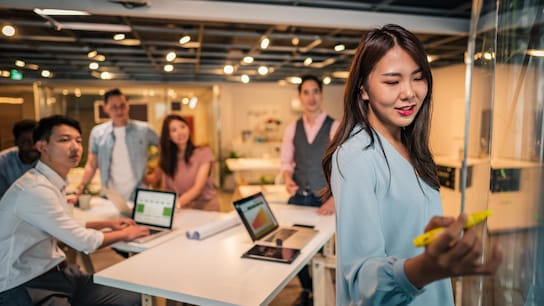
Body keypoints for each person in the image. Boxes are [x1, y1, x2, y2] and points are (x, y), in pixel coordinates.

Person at [321, 24, 502, 305]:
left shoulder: (410, 147)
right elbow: (361, 280)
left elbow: (407, 231)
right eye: (392, 82)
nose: (409, 93)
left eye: (418, 78)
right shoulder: (356, 156)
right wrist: (426, 267)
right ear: (363, 89)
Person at [0, 115, 150, 306]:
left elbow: (65, 222)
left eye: (78, 140)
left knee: (134, 298)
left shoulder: (52, 183)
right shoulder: (35, 190)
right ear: (42, 147)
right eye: (64, 140)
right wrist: (125, 234)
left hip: (58, 274)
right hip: (22, 285)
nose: (75, 146)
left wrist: (108, 224)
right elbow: (82, 241)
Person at [279, 75, 338, 305]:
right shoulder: (292, 128)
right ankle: (309, 290)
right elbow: (286, 162)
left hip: (324, 201)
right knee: (292, 248)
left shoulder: (335, 126)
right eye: (306, 92)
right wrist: (287, 178)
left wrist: (334, 197)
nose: (311, 97)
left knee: (322, 252)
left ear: (321, 94)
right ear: (300, 96)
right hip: (299, 198)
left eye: (315, 91)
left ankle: (323, 293)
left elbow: (341, 167)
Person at [76, 88, 159, 201]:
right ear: (105, 108)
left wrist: (156, 176)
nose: (119, 111)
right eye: (114, 107)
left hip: (138, 194)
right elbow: (91, 165)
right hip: (110, 196)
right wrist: (81, 189)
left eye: (122, 106)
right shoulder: (98, 133)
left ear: (128, 105)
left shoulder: (145, 129)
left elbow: (167, 151)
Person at [146, 114, 219, 211]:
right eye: (174, 130)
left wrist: (174, 206)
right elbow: (166, 189)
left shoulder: (204, 153)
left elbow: (198, 188)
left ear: (188, 128)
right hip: (182, 209)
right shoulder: (167, 159)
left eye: (182, 127)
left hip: (205, 208)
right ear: (168, 136)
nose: (180, 132)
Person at [0, 119, 40, 199]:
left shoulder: (48, 158)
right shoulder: (2, 162)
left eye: (35, 141)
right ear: (16, 142)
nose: (33, 147)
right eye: (26, 142)